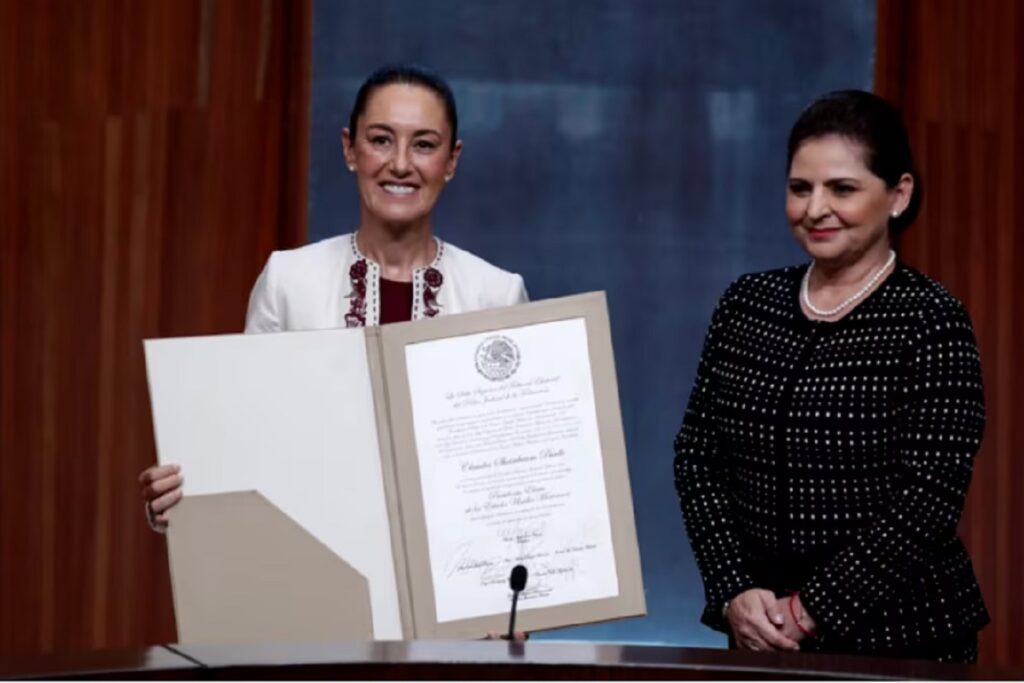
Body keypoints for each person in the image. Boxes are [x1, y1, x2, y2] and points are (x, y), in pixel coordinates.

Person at [139, 64, 528, 529]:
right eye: (381, 139)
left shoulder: (497, 294)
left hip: (455, 570)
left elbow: (517, 469)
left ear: (451, 160)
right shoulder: (288, 280)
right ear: (350, 149)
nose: (400, 163)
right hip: (317, 562)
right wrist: (184, 500)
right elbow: (244, 436)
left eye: (423, 144)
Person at [673, 90, 988, 663]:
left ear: (899, 194)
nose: (816, 208)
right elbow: (697, 458)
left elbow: (928, 497)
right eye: (800, 188)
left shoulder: (932, 321)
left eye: (842, 188)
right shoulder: (747, 305)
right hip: (758, 636)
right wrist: (733, 591)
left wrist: (809, 610)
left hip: (904, 642)